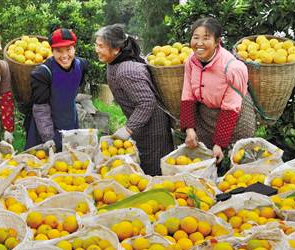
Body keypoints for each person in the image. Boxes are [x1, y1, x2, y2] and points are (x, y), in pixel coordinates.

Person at [95, 24, 174, 176]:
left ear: (116, 49)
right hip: (143, 126)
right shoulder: (114, 63)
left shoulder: (126, 71)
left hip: (153, 130)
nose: (97, 50)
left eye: (101, 46)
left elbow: (146, 102)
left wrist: (128, 129)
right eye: (96, 45)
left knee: (154, 171)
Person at [180, 17, 256, 163]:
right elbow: (187, 93)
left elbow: (230, 107)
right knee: (208, 161)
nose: (199, 43)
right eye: (195, 38)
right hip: (207, 114)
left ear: (217, 42)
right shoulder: (191, 61)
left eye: (206, 38)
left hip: (236, 116)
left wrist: (219, 144)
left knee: (241, 162)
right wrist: (189, 128)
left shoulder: (232, 68)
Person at [25, 28, 89, 151]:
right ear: (52, 51)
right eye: (59, 51)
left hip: (69, 121)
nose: (65, 56)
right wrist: (48, 137)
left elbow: (73, 89)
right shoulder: (43, 73)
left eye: (69, 49)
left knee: (70, 163)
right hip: (46, 127)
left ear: (74, 48)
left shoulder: (81, 65)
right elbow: (41, 108)